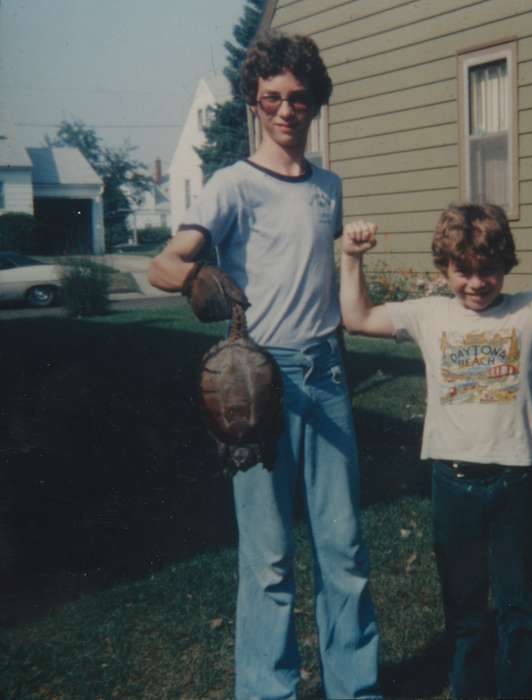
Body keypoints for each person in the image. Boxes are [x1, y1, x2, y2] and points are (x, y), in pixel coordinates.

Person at [148, 31, 380, 700]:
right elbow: (164, 263)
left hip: (326, 375)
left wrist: (355, 254)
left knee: (343, 551)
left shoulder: (326, 187)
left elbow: (319, 274)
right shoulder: (231, 185)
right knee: (270, 558)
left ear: (315, 105)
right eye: (272, 99)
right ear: (255, 103)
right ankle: (267, 691)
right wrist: (197, 278)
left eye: (298, 100)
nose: (286, 111)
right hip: (257, 382)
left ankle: (355, 688)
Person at [339, 203, 532, 698]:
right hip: (452, 483)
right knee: (466, 608)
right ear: (445, 269)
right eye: (463, 272)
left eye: (488, 270)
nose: (476, 283)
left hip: (513, 479)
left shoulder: (529, 310)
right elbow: (358, 317)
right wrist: (351, 257)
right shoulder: (429, 313)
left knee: (520, 605)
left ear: (506, 266)